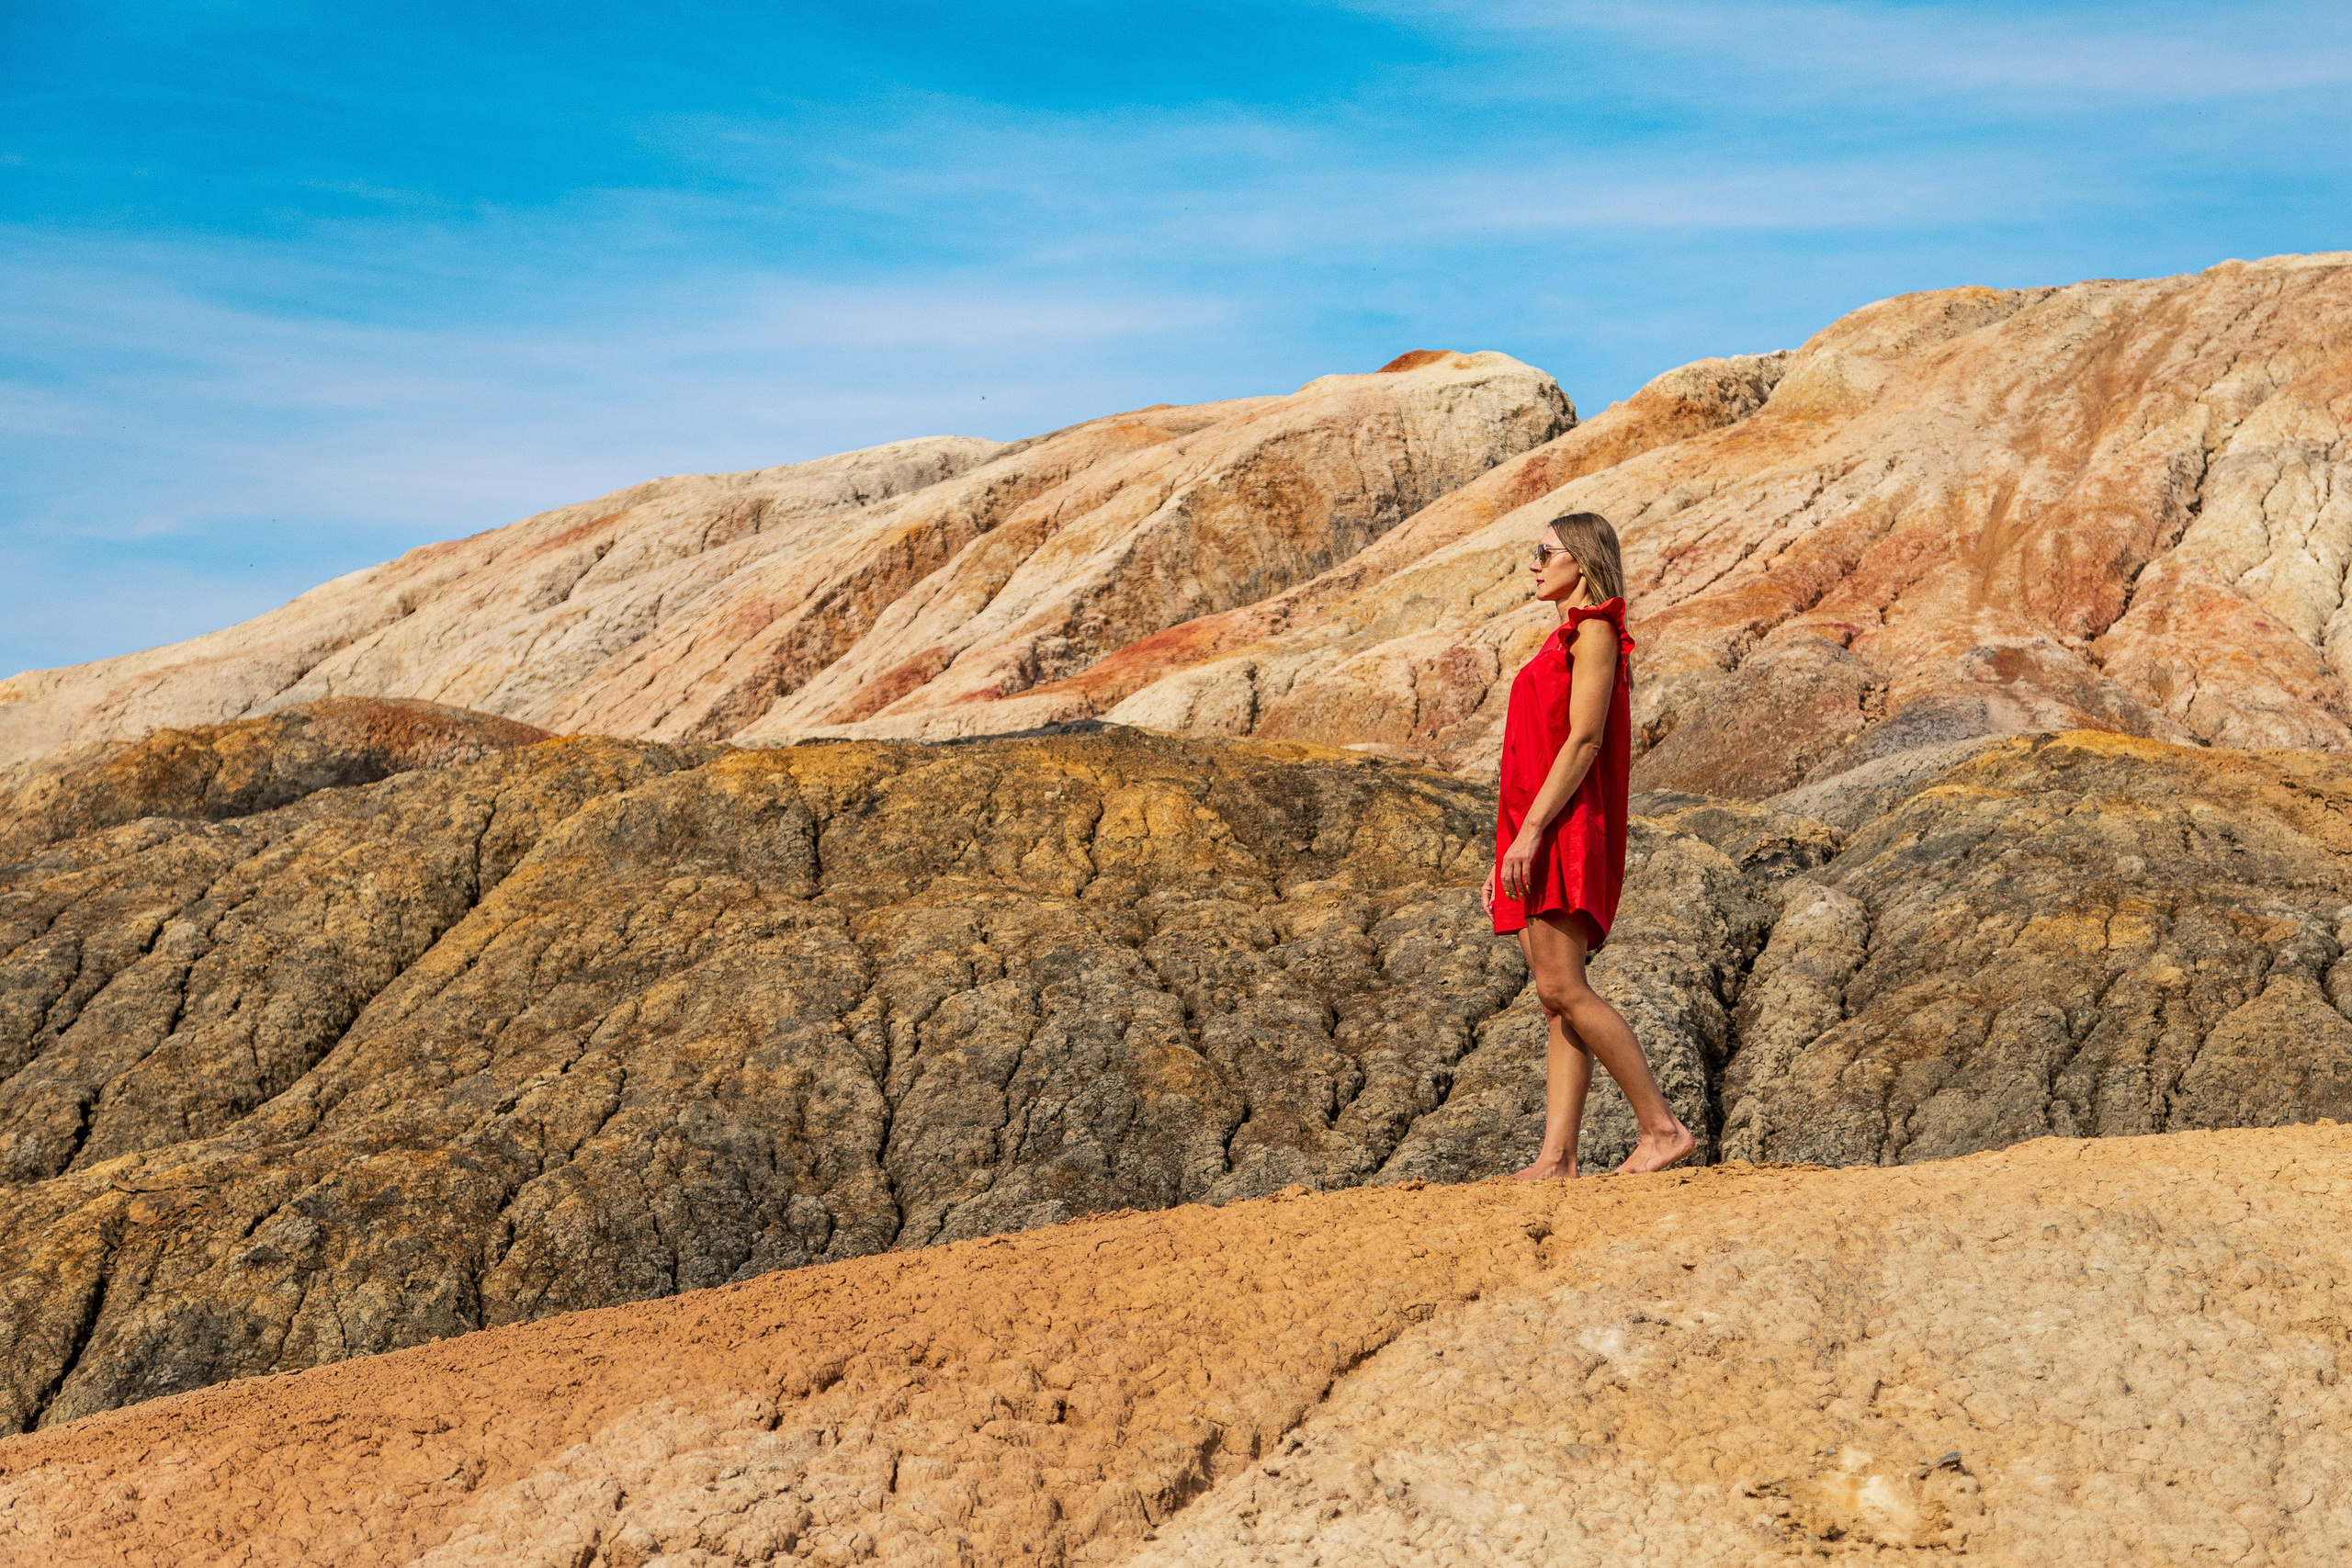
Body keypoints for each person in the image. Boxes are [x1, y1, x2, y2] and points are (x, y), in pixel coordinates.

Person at [1484, 511, 1694, 1179]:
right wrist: (1506, 849)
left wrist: (1534, 831)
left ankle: (1661, 1127)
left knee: (1564, 986)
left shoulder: (1597, 627)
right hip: (1530, 832)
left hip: (1564, 829)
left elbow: (1583, 742)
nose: (1534, 562)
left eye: (1544, 551)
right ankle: (1558, 1157)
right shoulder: (1558, 640)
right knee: (1556, 996)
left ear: (1581, 559)